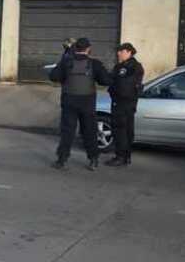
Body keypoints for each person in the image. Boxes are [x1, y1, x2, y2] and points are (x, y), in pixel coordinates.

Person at [49, 38, 112, 171]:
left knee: (67, 132)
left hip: (69, 101)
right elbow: (105, 81)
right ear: (88, 49)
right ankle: (93, 159)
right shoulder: (94, 64)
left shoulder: (66, 62)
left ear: (75, 48)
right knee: (89, 131)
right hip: (87, 102)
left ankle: (61, 160)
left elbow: (53, 77)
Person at [106, 43, 144, 167]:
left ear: (128, 52)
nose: (118, 53)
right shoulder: (124, 66)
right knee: (126, 130)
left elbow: (123, 87)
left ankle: (121, 157)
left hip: (123, 103)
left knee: (121, 130)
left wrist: (114, 91)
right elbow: (112, 80)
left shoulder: (131, 67)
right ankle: (125, 156)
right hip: (125, 103)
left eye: (121, 51)